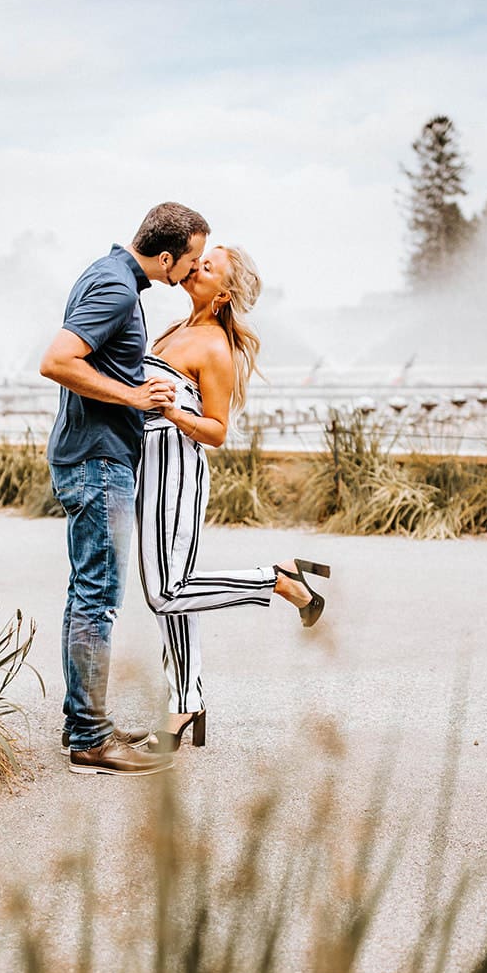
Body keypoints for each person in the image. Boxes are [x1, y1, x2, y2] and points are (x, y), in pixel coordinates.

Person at [134, 245, 330, 753]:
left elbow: (217, 431)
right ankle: (186, 702)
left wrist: (174, 412)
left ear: (222, 293)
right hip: (151, 465)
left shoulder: (214, 347)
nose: (194, 262)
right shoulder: (176, 330)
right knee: (175, 599)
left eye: (208, 263)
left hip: (176, 464)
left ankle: (279, 580)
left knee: (165, 591)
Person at [40, 202, 209, 776]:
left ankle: (83, 723)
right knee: (98, 600)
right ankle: (90, 741)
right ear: (167, 258)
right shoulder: (116, 289)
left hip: (88, 455)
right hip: (98, 461)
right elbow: (57, 362)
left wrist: (138, 382)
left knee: (84, 595)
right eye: (191, 262)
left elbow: (94, 362)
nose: (192, 273)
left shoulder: (105, 274)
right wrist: (136, 397)